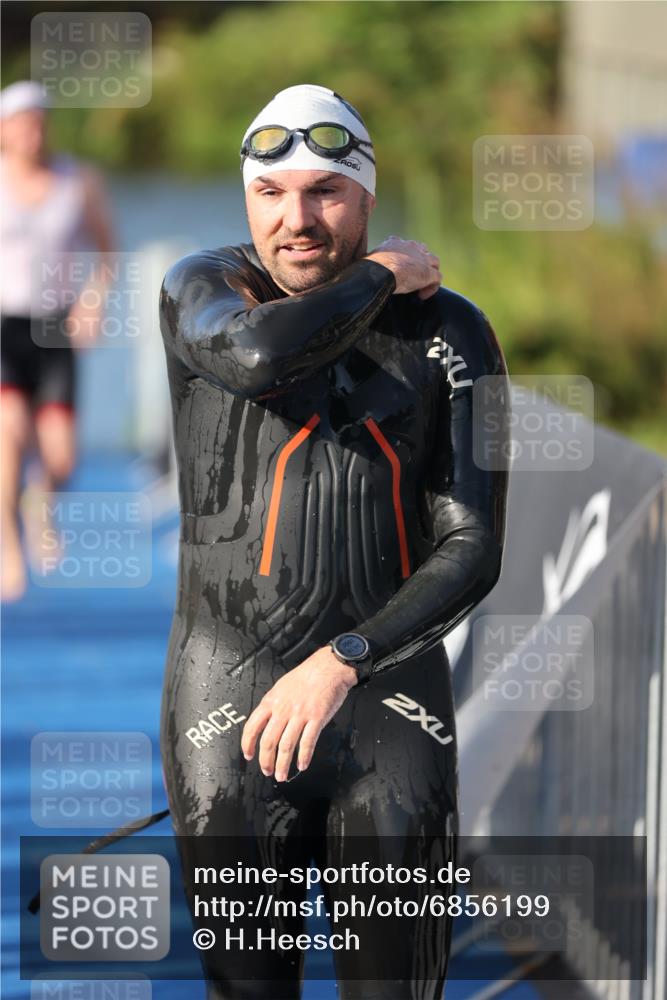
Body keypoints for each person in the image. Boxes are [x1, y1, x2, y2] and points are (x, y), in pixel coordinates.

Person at [159, 84, 509, 999]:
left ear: (367, 195)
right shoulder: (201, 290)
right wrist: (383, 275)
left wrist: (344, 658)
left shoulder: (454, 333)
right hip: (224, 711)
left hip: (389, 708)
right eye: (271, 193)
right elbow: (260, 359)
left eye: (325, 191)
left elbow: (472, 545)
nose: (297, 219)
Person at [0, 80, 114, 601]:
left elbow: (108, 252)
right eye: (22, 123)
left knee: (61, 457)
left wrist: (93, 302)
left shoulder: (77, 181)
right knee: (10, 437)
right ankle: (7, 546)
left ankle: (39, 505)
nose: (33, 132)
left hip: (54, 327)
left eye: (40, 121)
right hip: (4, 325)